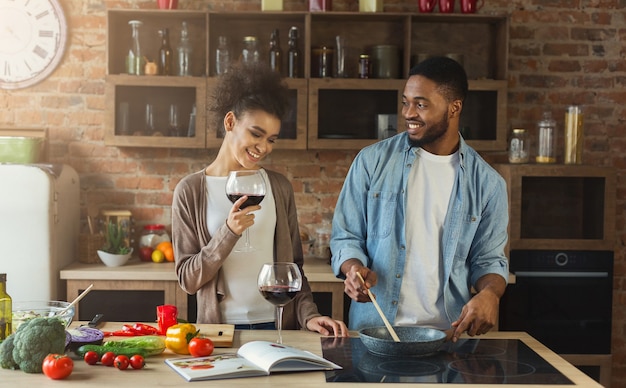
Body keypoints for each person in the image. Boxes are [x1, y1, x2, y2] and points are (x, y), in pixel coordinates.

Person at [330, 56, 509, 342]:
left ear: (454, 107)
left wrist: (490, 294)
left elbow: (489, 261)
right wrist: (353, 270)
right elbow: (346, 236)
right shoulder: (371, 161)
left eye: (421, 104)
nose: (408, 113)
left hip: (447, 337)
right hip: (374, 333)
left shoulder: (488, 185)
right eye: (406, 102)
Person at [172, 62, 347, 337]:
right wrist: (228, 233)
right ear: (230, 122)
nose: (263, 147)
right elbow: (188, 280)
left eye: (271, 139)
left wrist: (310, 316)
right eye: (256, 134)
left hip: (279, 326)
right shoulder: (190, 191)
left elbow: (295, 270)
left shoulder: (278, 187)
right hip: (220, 332)